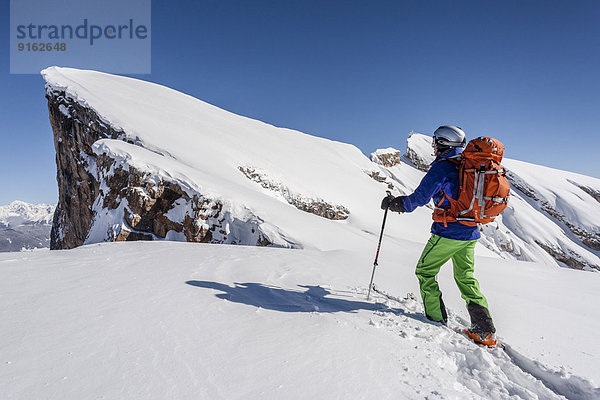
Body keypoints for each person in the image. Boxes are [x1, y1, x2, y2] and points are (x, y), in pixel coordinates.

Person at [381, 125, 497, 347]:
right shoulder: (469, 166)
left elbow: (419, 199)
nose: (433, 146)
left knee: (424, 271)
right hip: (470, 232)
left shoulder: (443, 168)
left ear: (444, 144)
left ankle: (435, 319)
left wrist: (395, 204)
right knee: (466, 278)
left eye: (436, 142)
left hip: (447, 232)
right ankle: (485, 331)